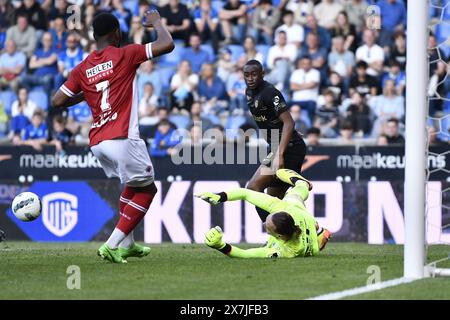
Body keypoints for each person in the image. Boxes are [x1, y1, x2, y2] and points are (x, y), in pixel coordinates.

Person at [51, 11, 175, 263]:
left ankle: (128, 245)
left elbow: (57, 100)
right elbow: (167, 44)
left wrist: (86, 92)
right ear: (117, 33)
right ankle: (111, 244)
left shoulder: (83, 67)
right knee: (147, 190)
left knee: (132, 184)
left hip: (98, 142)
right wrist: (157, 22)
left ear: (95, 37)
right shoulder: (126, 53)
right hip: (122, 136)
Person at [197, 169, 332, 258]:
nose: (264, 224)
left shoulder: (285, 251)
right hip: (303, 218)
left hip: (309, 243)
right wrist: (219, 197)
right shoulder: (284, 208)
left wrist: (220, 246)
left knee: (294, 198)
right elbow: (245, 193)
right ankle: (303, 185)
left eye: (267, 225)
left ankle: (319, 232)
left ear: (278, 235)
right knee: (294, 197)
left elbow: (245, 254)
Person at [243, 60, 307, 222]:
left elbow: (289, 122)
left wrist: (279, 154)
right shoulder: (249, 93)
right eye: (246, 75)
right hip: (278, 147)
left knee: (253, 188)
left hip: (288, 149)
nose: (250, 78)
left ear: (262, 74)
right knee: (275, 204)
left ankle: (275, 232)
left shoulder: (270, 93)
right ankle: (289, 236)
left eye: (254, 74)